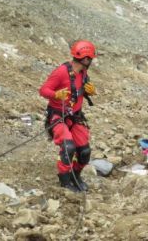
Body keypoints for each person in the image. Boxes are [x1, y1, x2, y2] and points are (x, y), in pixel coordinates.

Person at [39, 40, 97, 192]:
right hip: (58, 117)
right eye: (90, 58)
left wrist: (89, 91)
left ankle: (75, 176)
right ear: (86, 59)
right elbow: (43, 90)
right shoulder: (61, 72)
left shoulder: (83, 74)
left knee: (84, 151)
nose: (91, 61)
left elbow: (78, 91)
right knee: (68, 147)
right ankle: (65, 181)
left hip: (74, 117)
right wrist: (56, 94)